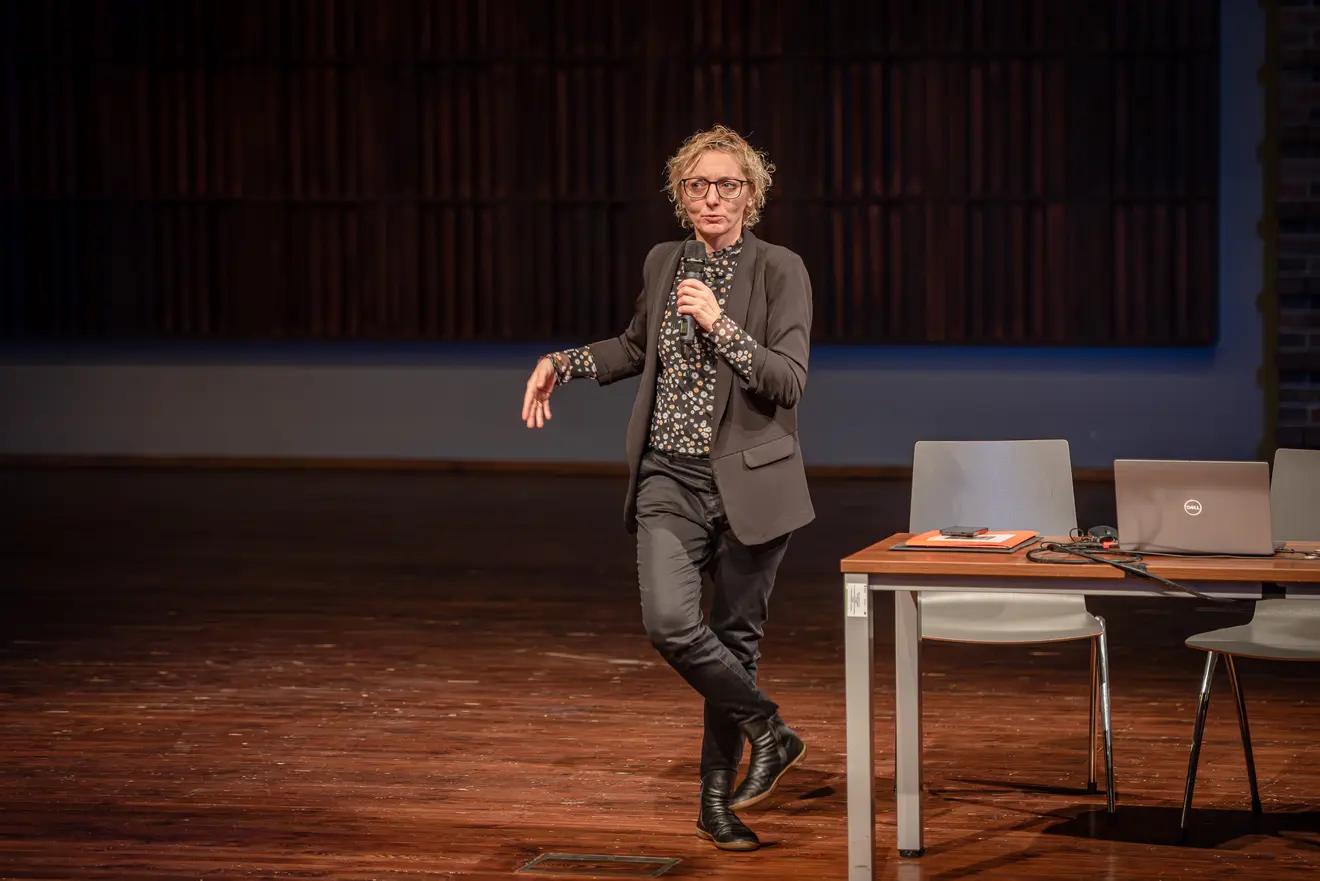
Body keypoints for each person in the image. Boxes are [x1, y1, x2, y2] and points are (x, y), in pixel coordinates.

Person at [519, 125, 814, 852]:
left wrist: (720, 324)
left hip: (751, 482)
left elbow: (787, 379)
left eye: (727, 185)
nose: (712, 197)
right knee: (671, 624)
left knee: (735, 645)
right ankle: (770, 729)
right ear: (681, 195)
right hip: (668, 477)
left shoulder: (781, 269)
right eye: (697, 185)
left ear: (751, 194)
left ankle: (715, 805)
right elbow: (634, 345)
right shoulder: (664, 261)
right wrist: (563, 362)